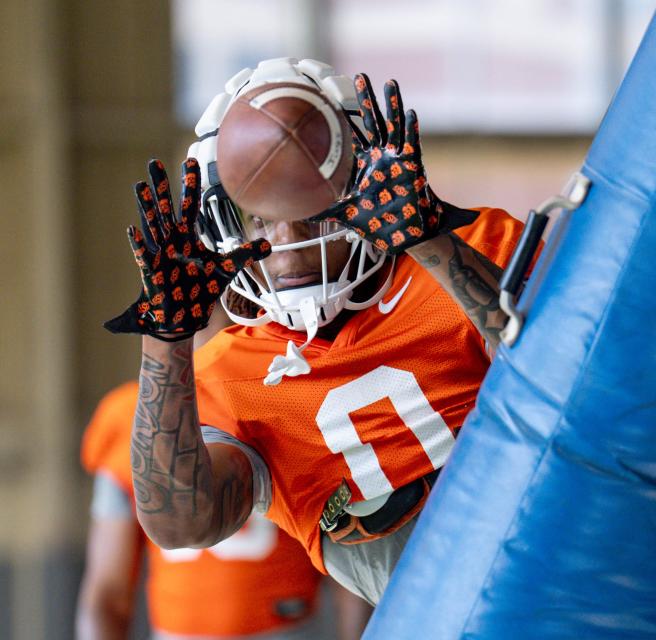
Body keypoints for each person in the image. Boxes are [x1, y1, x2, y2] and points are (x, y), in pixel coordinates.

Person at [104, 58, 524, 604]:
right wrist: (166, 342)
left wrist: (431, 242)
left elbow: (569, 375)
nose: (288, 240)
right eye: (260, 215)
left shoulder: (475, 246)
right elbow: (181, 524)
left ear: (361, 185)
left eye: (310, 205)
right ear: (223, 226)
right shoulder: (225, 376)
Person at [78, 304, 372, 639]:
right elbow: (107, 593)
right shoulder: (125, 416)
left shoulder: (290, 395)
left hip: (286, 626)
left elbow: (350, 562)